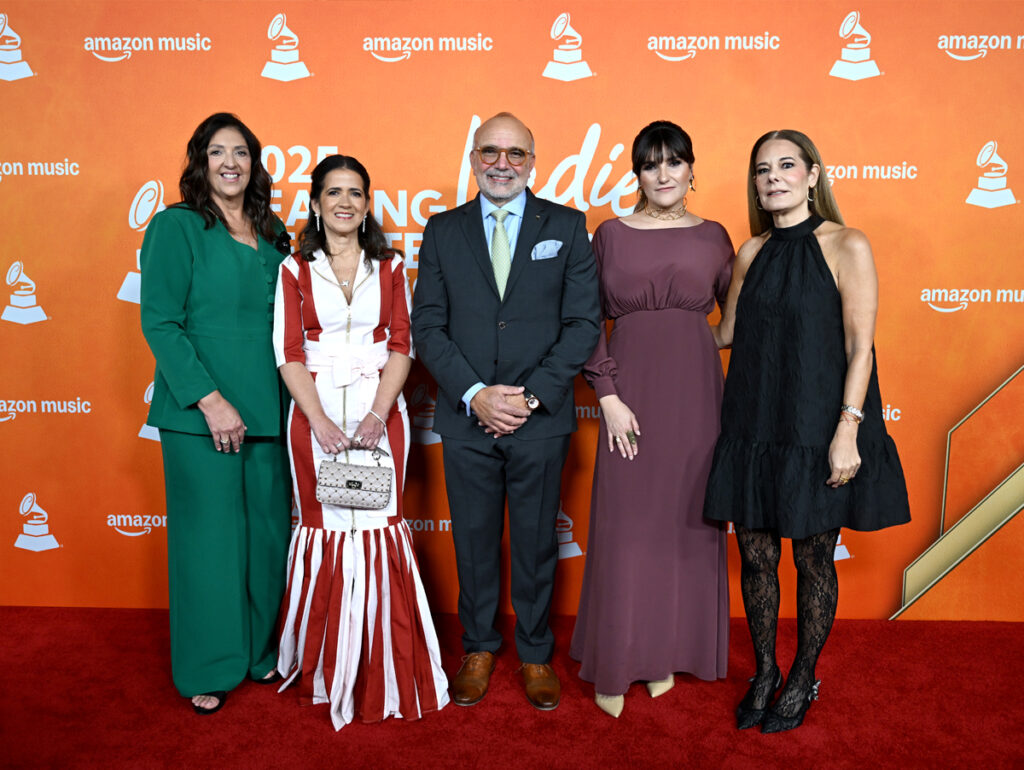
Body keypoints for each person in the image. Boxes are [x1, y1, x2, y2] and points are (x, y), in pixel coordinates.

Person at [704, 130, 910, 733]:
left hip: (817, 425)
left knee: (814, 559)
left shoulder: (847, 244)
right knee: (756, 556)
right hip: (754, 421)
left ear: (813, 175)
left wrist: (848, 430)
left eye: (787, 165)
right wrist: (647, 325)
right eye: (762, 169)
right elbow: (725, 333)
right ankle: (766, 671)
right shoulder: (750, 252)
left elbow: (860, 346)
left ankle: (802, 676)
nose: (773, 177)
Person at [411, 112, 601, 710]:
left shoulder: (566, 226)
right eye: (490, 152)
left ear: (532, 162)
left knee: (537, 542)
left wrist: (530, 396)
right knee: (472, 540)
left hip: (539, 420)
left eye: (515, 153)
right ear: (473, 160)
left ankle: (536, 651)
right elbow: (427, 326)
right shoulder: (443, 230)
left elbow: (582, 324)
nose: (502, 163)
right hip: (467, 418)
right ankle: (479, 647)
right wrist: (476, 394)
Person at [272, 155, 449, 730]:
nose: (344, 202)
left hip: (382, 415)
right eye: (333, 192)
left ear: (367, 204)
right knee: (325, 526)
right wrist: (319, 420)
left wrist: (377, 414)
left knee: (376, 524)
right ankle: (323, 667)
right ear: (316, 203)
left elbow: (403, 344)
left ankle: (386, 667)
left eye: (355, 193)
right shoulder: (294, 269)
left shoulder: (391, 266)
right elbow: (288, 353)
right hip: (314, 416)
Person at [570, 121, 732, 718]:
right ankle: (618, 660)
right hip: (629, 393)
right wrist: (608, 393)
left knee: (684, 525)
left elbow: (736, 319)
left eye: (674, 162)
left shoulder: (716, 237)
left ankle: (664, 655)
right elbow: (585, 320)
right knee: (628, 524)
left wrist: (695, 345)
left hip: (697, 398)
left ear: (691, 169)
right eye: (650, 164)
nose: (663, 174)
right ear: (637, 173)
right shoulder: (610, 235)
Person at [140, 112, 293, 715]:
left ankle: (257, 653)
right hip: (199, 416)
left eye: (241, 152)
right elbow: (161, 321)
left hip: (270, 412)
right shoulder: (175, 227)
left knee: (266, 538)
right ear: (200, 163)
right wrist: (211, 400)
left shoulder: (274, 231)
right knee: (209, 544)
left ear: (254, 163)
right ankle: (208, 665)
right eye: (217, 152)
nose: (231, 163)